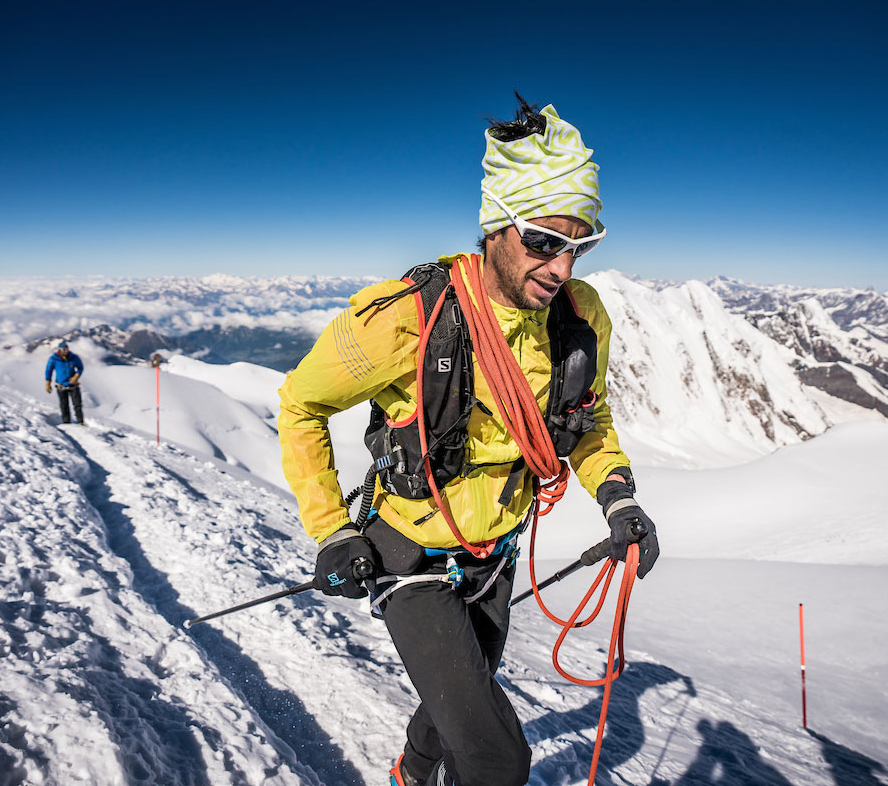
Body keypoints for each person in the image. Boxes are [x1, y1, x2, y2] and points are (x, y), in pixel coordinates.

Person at [277, 96, 659, 786]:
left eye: (579, 246)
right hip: (410, 554)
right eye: (543, 241)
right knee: (495, 758)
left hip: (497, 552)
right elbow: (302, 405)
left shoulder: (580, 317)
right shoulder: (406, 319)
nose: (562, 268)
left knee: (463, 690)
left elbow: (588, 419)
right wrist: (332, 531)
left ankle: (411, 772)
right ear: (494, 228)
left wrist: (618, 498)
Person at [44, 340, 85, 424]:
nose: (66, 351)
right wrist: (48, 382)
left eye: (67, 349)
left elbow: (80, 367)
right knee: (64, 405)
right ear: (59, 350)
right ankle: (66, 422)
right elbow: (49, 370)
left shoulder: (74, 357)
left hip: (73, 385)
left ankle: (80, 422)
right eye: (64, 350)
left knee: (77, 405)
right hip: (61, 385)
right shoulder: (53, 359)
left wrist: (76, 376)